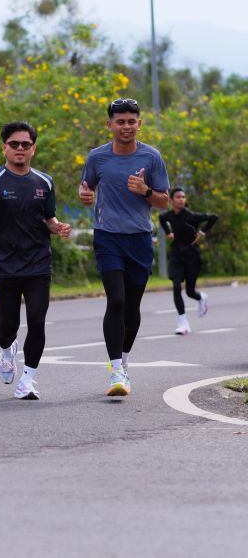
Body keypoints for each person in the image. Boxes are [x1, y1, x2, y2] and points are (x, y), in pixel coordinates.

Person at [0, 121, 71, 400]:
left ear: (33, 149)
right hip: (3, 264)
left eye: (25, 144)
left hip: (38, 263)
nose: (20, 149)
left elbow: (47, 218)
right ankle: (7, 350)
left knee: (37, 321)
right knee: (8, 327)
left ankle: (27, 380)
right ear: (4, 148)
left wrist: (58, 227)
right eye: (14, 144)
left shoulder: (44, 181)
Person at [79, 98, 170, 397]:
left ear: (139, 124)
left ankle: (125, 360)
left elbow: (164, 201)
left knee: (132, 307)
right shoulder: (97, 157)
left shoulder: (151, 157)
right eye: (120, 122)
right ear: (110, 125)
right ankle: (116, 369)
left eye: (132, 121)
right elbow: (86, 187)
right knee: (116, 300)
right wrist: (84, 195)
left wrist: (145, 190)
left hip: (139, 238)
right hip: (107, 237)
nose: (126, 126)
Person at [159, 187, 218, 335]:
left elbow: (213, 217)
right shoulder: (169, 215)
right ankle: (183, 322)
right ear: (171, 200)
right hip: (177, 256)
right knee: (176, 286)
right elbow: (161, 219)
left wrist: (201, 232)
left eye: (183, 197)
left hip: (192, 257)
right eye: (178, 197)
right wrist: (168, 233)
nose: (181, 199)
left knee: (190, 292)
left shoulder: (191, 216)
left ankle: (201, 297)